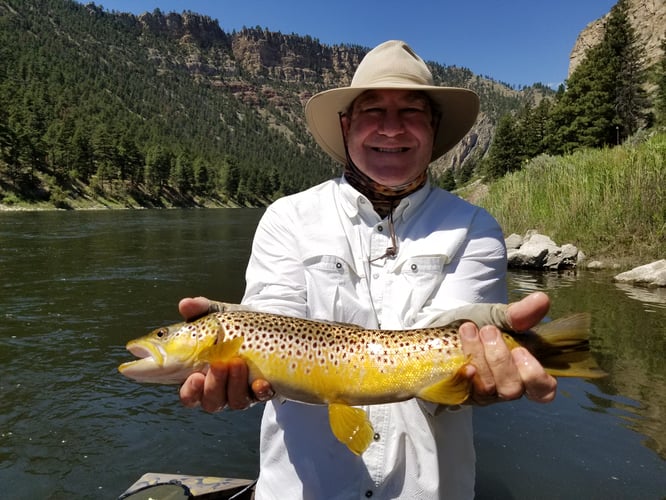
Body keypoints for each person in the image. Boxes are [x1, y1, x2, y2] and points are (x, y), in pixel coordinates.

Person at [178, 40, 556, 499]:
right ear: (346, 125)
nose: (391, 128)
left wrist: (482, 354)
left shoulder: (474, 226)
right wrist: (238, 336)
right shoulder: (287, 218)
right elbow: (273, 318)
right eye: (372, 110)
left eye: (412, 112)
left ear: (434, 127)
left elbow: (454, 329)